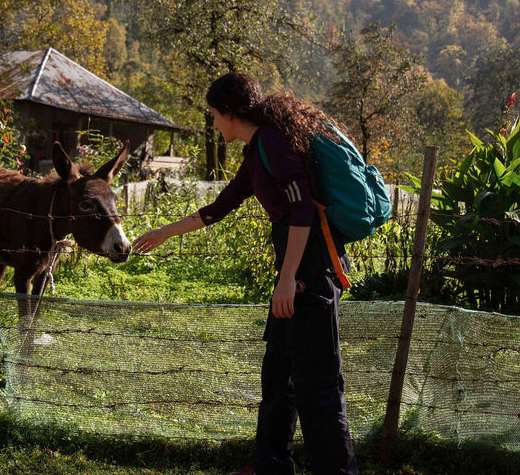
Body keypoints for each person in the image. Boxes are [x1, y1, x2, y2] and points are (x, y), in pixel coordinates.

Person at [132, 73, 358, 475]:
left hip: (306, 267)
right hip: (291, 268)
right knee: (278, 375)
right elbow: (221, 206)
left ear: (232, 114)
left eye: (216, 116)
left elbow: (302, 207)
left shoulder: (272, 142)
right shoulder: (257, 152)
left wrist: (288, 278)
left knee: (317, 386)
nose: (214, 125)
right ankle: (271, 466)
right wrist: (164, 232)